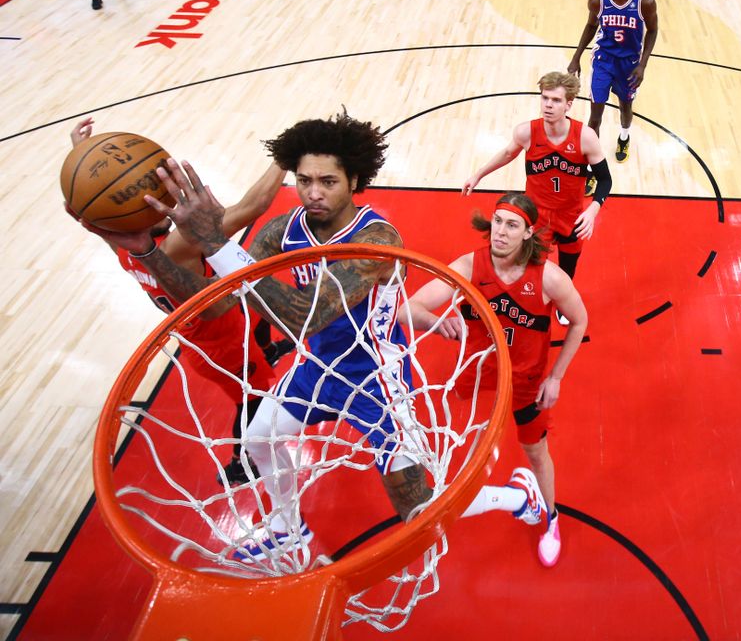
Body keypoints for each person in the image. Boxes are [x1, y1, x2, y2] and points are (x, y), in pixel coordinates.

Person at [102, 113, 548, 561]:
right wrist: (146, 252)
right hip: (318, 370)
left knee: (417, 510)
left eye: (328, 181)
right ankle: (285, 526)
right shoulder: (283, 232)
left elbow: (304, 317)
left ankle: (517, 497)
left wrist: (218, 246)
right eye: (304, 179)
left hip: (378, 380)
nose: (313, 192)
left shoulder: (376, 238)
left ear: (354, 180)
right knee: (259, 438)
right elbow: (216, 304)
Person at [69, 117, 287, 483]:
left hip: (199, 339)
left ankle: (266, 348)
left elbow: (98, 211)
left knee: (254, 300)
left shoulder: (127, 252)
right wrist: (287, 153)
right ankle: (241, 461)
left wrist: (81, 155)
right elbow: (254, 205)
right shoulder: (177, 247)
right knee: (254, 399)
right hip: (226, 348)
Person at [407, 192, 587, 567]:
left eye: (511, 225)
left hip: (526, 380)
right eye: (498, 222)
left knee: (536, 453)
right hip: (478, 372)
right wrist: (436, 323)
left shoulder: (549, 278)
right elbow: (410, 307)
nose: (500, 233)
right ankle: (505, 495)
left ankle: (550, 517)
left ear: (528, 233)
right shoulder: (470, 266)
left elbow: (580, 320)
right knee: (466, 449)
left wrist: (556, 377)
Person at [463, 71, 611, 324]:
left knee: (568, 266)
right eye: (545, 99)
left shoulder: (585, 136)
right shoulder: (527, 132)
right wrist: (479, 174)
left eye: (555, 100)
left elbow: (605, 179)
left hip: (571, 215)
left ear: (568, 104)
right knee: (530, 262)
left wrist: (593, 209)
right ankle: (524, 298)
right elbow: (508, 153)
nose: (548, 106)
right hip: (536, 214)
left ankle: (563, 304)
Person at [567, 0, 659, 191]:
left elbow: (652, 31)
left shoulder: (644, 2)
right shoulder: (598, 0)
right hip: (603, 61)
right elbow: (590, 26)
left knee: (625, 107)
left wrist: (642, 64)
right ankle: (591, 169)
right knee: (594, 115)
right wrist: (576, 57)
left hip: (628, 65)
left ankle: (624, 137)